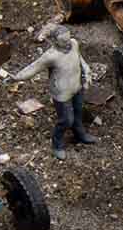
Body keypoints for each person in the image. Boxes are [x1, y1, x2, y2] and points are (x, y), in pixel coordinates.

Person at [6, 26, 95, 156]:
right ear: (54, 41)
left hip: (77, 87)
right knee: (66, 120)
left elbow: (80, 59)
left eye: (68, 38)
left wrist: (87, 70)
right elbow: (33, 68)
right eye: (63, 41)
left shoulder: (74, 44)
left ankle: (80, 134)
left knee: (78, 112)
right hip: (61, 92)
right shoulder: (51, 56)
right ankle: (57, 145)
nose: (67, 43)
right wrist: (16, 77)